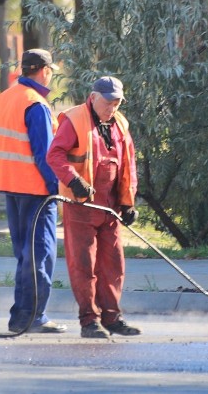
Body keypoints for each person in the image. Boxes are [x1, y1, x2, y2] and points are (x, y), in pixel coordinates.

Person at [47, 76, 141, 339]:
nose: (113, 107)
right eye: (109, 102)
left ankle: (112, 318)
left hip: (109, 207)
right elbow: (54, 155)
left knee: (113, 264)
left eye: (117, 102)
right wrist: (73, 181)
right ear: (93, 97)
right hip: (81, 206)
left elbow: (129, 165)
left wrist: (128, 202)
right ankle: (89, 321)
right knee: (84, 265)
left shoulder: (120, 123)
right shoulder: (74, 119)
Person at [0, 49, 66, 334]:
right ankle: (33, 316)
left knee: (25, 255)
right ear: (44, 70)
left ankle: (21, 316)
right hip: (35, 191)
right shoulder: (35, 104)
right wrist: (56, 188)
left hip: (11, 186)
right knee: (40, 255)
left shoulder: (5, 98)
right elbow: (45, 154)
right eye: (51, 71)